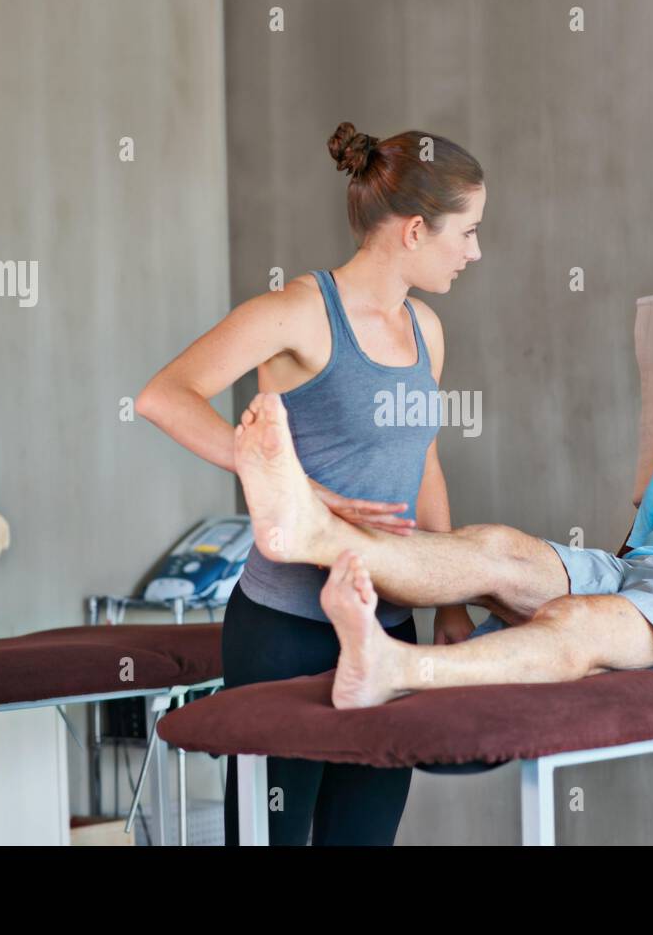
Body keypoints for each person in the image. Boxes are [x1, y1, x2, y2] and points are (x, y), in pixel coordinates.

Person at [231, 255, 653, 708]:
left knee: (583, 621)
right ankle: (311, 532)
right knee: (496, 548)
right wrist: (517, 592)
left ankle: (394, 668)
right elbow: (635, 555)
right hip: (644, 575)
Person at [136, 122, 485, 844]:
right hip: (284, 631)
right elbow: (163, 396)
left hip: (389, 626)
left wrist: (450, 603)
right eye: (469, 232)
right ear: (417, 230)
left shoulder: (427, 330)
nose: (475, 252)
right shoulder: (299, 312)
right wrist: (278, 475)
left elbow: (425, 461)